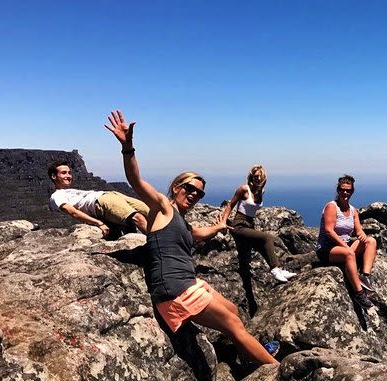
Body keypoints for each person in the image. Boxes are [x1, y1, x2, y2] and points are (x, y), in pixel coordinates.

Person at [104, 109, 278, 365]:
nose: (195, 195)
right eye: (190, 189)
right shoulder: (163, 207)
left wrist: (218, 227)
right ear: (176, 188)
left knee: (232, 310)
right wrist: (128, 148)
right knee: (232, 324)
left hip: (188, 282)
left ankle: (248, 357)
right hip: (174, 290)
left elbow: (198, 233)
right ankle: (277, 371)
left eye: (200, 193)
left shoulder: (182, 224)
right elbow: (135, 180)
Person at [222, 165, 296, 283]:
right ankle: (275, 270)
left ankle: (278, 269)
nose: (258, 178)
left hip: (249, 225)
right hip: (239, 225)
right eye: (256, 176)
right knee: (267, 237)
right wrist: (223, 222)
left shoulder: (261, 191)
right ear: (251, 176)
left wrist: (262, 186)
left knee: (264, 246)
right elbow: (230, 205)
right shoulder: (244, 189)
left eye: (261, 176)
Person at [315, 174, 377, 309]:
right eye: (342, 189)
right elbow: (329, 231)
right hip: (328, 248)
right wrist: (346, 247)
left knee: (371, 241)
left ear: (352, 192)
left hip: (346, 245)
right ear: (338, 190)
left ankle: (365, 276)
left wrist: (363, 237)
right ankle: (359, 293)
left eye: (348, 190)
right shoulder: (332, 207)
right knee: (349, 254)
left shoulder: (353, 210)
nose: (345, 193)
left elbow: (359, 230)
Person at [48, 160, 148, 237]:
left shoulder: (70, 191)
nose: (69, 176)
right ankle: (160, 247)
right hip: (101, 202)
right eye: (64, 173)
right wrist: (99, 223)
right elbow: (72, 212)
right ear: (54, 176)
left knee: (152, 212)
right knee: (138, 218)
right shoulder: (57, 196)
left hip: (112, 195)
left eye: (69, 173)